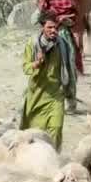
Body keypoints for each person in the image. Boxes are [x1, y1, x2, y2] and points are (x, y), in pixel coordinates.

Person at [20, 13, 73, 149]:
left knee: (56, 128)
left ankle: (53, 157)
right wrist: (36, 63)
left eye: (56, 28)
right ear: (42, 27)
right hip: (37, 95)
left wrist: (69, 90)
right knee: (36, 133)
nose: (53, 31)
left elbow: (69, 68)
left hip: (56, 95)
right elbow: (26, 67)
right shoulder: (32, 44)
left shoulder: (63, 45)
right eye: (49, 27)